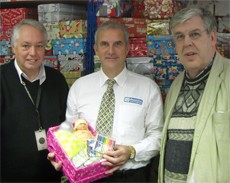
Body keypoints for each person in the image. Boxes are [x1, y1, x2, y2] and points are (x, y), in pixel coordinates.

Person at [48, 20, 163, 182]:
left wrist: (131, 151)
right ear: (96, 49)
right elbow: (70, 135)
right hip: (87, 176)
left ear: (127, 48)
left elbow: (158, 136)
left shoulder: (148, 88)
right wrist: (61, 155)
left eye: (117, 44)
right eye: (104, 44)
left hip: (130, 177)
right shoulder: (79, 87)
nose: (111, 51)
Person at [158, 6, 230, 183]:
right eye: (180, 37)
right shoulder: (176, 85)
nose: (187, 42)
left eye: (195, 34)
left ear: (212, 38)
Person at [0, 19, 69, 182]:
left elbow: (67, 125)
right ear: (13, 47)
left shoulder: (57, 79)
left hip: (50, 176)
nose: (33, 52)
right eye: (26, 46)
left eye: (39, 46)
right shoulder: (2, 79)